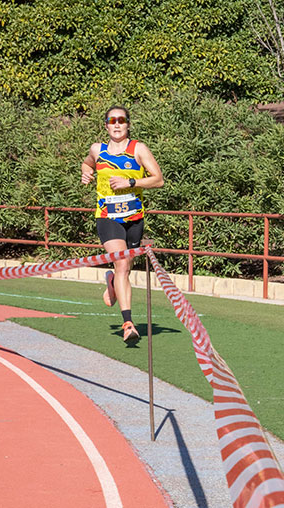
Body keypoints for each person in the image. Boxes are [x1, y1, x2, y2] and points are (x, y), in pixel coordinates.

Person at [81, 106, 164, 345]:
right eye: (112, 120)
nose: (117, 125)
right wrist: (86, 173)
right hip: (107, 217)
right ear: (105, 125)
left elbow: (158, 179)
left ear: (128, 124)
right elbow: (87, 164)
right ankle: (128, 323)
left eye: (121, 120)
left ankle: (112, 282)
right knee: (121, 262)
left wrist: (130, 181)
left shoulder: (138, 149)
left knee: (124, 269)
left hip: (134, 218)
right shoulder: (98, 149)